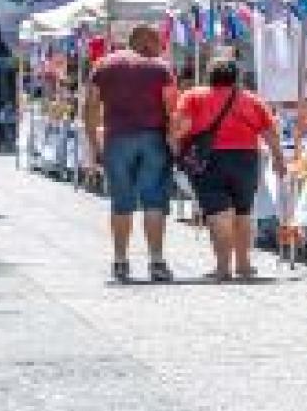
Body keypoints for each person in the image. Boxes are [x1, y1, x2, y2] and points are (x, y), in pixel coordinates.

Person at [172, 58, 285, 281]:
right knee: (243, 212)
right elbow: (270, 132)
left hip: (209, 159)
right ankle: (243, 264)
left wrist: (177, 146)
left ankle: (223, 267)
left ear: (210, 75)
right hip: (246, 158)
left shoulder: (194, 96)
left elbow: (181, 128)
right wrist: (279, 159)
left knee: (218, 215)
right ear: (237, 77)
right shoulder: (252, 99)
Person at [84, 24, 177, 283]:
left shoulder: (103, 65)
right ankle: (157, 262)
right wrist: (175, 141)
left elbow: (90, 105)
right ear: (144, 41)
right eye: (157, 41)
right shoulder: (160, 68)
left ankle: (120, 262)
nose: (160, 46)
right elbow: (173, 108)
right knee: (154, 201)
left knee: (121, 202)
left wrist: (94, 144)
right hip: (153, 139)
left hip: (117, 138)